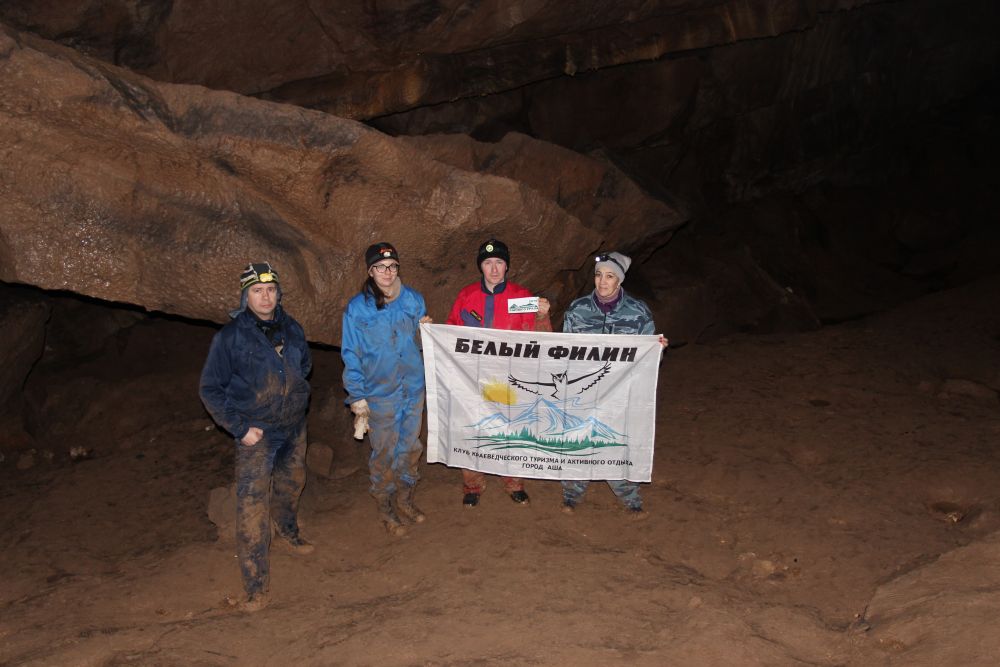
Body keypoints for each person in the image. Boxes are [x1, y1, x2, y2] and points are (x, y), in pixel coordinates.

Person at [199, 262, 313, 613]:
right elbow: (210, 388)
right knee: (251, 505)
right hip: (257, 433)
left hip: (293, 425)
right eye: (257, 291)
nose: (265, 297)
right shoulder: (230, 338)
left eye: (271, 290)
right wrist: (239, 428)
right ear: (245, 296)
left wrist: (293, 398)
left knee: (291, 484)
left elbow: (304, 366)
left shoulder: (292, 328)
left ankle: (288, 531)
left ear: (278, 293)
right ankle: (255, 585)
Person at [559, 251, 667, 521]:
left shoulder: (638, 312)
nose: (603, 281)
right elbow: (564, 350)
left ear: (619, 280)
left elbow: (648, 355)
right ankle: (572, 492)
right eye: (598, 275)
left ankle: (630, 497)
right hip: (585, 390)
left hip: (621, 392)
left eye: (609, 276)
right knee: (579, 439)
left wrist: (657, 349)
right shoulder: (577, 310)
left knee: (617, 441)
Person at [446, 238, 552, 507]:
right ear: (481, 267)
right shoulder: (467, 296)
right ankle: (473, 484)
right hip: (475, 379)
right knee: (473, 431)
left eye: (499, 263)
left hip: (510, 379)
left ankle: (513, 481)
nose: (494, 269)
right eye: (488, 263)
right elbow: (451, 333)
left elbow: (542, 339)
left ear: (507, 267)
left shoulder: (521, 298)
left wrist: (541, 316)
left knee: (513, 429)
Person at [342, 243, 431, 537]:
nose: (387, 272)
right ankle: (385, 505)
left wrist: (425, 333)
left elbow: (418, 345)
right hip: (380, 393)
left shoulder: (413, 300)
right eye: (380, 267)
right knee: (384, 451)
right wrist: (356, 395)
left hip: (413, 388)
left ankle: (405, 499)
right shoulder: (357, 309)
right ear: (370, 271)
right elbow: (351, 353)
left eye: (392, 266)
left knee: (411, 447)